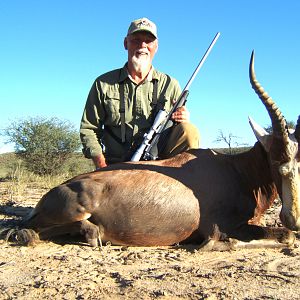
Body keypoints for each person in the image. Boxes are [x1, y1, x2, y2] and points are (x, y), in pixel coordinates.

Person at [80, 17, 200, 169]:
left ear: (156, 46)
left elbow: (178, 129)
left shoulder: (171, 85)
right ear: (125, 43)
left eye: (148, 41)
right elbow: (89, 129)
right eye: (136, 40)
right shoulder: (103, 83)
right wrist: (102, 166)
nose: (142, 45)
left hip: (158, 162)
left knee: (189, 130)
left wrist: (183, 119)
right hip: (115, 165)